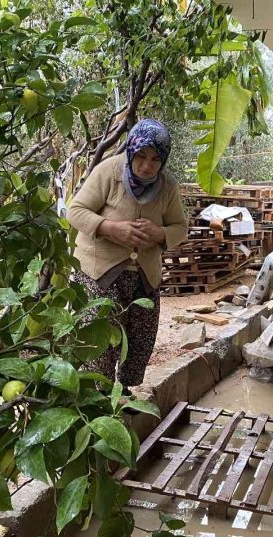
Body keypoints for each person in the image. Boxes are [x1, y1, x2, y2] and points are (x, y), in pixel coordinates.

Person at [67, 119, 188, 393]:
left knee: (139, 338)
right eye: (142, 156)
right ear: (132, 150)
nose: (147, 166)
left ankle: (125, 394)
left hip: (143, 275)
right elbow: (75, 211)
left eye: (156, 159)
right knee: (102, 336)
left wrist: (159, 233)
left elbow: (180, 228)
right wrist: (110, 228)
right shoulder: (109, 172)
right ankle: (99, 394)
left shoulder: (167, 186)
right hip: (99, 271)